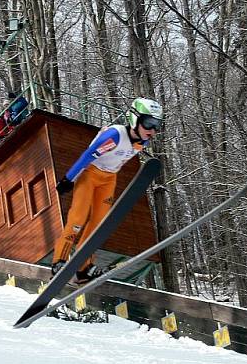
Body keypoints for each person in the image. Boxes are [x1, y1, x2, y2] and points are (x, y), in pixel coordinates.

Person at [51, 97, 163, 284]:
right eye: (148, 123)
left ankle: (84, 267)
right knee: (78, 219)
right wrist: (68, 179)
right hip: (90, 175)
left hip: (109, 179)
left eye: (156, 125)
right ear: (135, 119)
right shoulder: (115, 136)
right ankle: (59, 261)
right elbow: (88, 154)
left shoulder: (142, 142)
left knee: (98, 225)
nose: (152, 130)